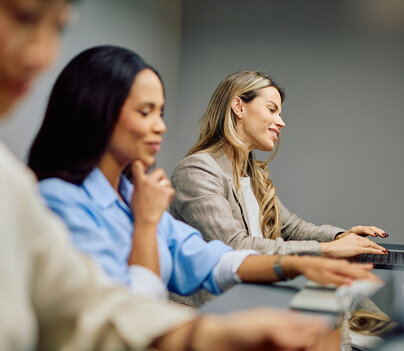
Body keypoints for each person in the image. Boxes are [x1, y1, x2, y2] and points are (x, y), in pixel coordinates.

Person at [0, 1, 344, 351]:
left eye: (58, 28)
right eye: (26, 16)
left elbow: (90, 303)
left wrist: (210, 334)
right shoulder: (62, 195)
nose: (44, 54)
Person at [28, 45, 381, 310]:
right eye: (145, 111)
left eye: (161, 112)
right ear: (98, 111)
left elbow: (212, 258)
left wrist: (313, 255)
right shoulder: (59, 201)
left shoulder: (133, 196)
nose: (161, 126)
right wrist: (322, 253)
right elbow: (130, 309)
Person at [169, 70, 390, 259]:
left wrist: (342, 237)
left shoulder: (253, 176)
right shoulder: (196, 171)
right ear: (239, 107)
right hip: (213, 306)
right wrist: (328, 249)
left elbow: (292, 229)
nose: (281, 122)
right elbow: (235, 247)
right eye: (272, 109)